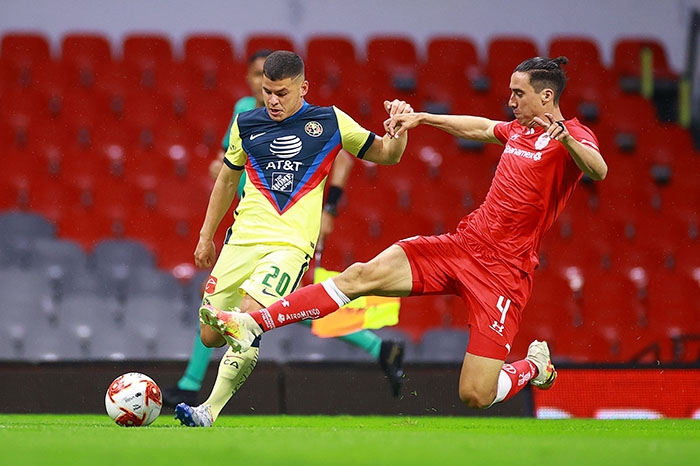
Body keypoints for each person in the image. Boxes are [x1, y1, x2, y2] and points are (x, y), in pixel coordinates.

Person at [199, 56, 608, 410]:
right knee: (359, 276)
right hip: (462, 246)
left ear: (547, 97)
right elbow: (481, 127)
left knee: (475, 394)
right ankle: (254, 324)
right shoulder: (518, 130)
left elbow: (598, 169)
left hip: (503, 273)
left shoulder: (570, 136)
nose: (511, 102)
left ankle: (535, 366)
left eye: (518, 94)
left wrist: (569, 139)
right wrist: (423, 118)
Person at [174, 50, 413, 426]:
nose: (272, 100)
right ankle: (373, 345)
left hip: (288, 246)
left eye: (281, 93)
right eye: (267, 91)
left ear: (303, 88)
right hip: (241, 241)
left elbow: (386, 155)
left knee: (248, 319)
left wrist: (397, 133)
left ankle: (208, 410)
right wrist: (207, 236)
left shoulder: (330, 121)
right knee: (210, 334)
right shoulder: (246, 122)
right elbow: (225, 179)